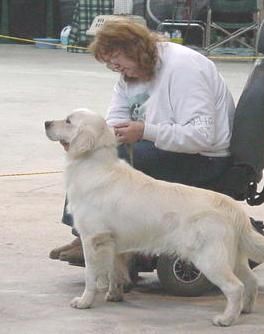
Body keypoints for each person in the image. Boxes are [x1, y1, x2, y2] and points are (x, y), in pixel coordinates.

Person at [49, 19, 236, 265]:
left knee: (116, 162)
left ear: (136, 48)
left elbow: (202, 136)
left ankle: (103, 241)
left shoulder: (184, 68)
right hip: (162, 145)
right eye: (110, 64)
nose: (116, 68)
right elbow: (114, 120)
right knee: (89, 154)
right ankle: (84, 234)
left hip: (204, 158)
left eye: (117, 59)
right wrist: (87, 141)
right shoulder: (131, 72)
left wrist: (147, 131)